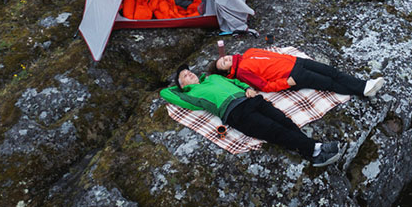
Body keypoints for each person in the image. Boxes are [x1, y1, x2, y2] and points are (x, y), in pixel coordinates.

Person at [161, 65, 342, 167]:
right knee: (274, 130)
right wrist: (180, 86)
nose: (190, 73)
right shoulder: (190, 95)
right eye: (185, 76)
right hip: (234, 113)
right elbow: (165, 93)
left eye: (189, 71)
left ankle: (311, 151)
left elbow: (236, 82)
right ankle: (316, 148)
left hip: (251, 99)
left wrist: (247, 88)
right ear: (182, 86)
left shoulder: (212, 78)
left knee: (284, 121)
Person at [213, 48, 385, 98]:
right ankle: (363, 90)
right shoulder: (242, 72)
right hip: (292, 76)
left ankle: (364, 86)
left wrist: (290, 57)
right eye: (223, 64)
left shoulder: (248, 52)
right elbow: (264, 86)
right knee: (328, 83)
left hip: (296, 62)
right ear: (227, 71)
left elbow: (274, 55)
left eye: (223, 58)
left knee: (331, 71)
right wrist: (287, 83)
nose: (226, 59)